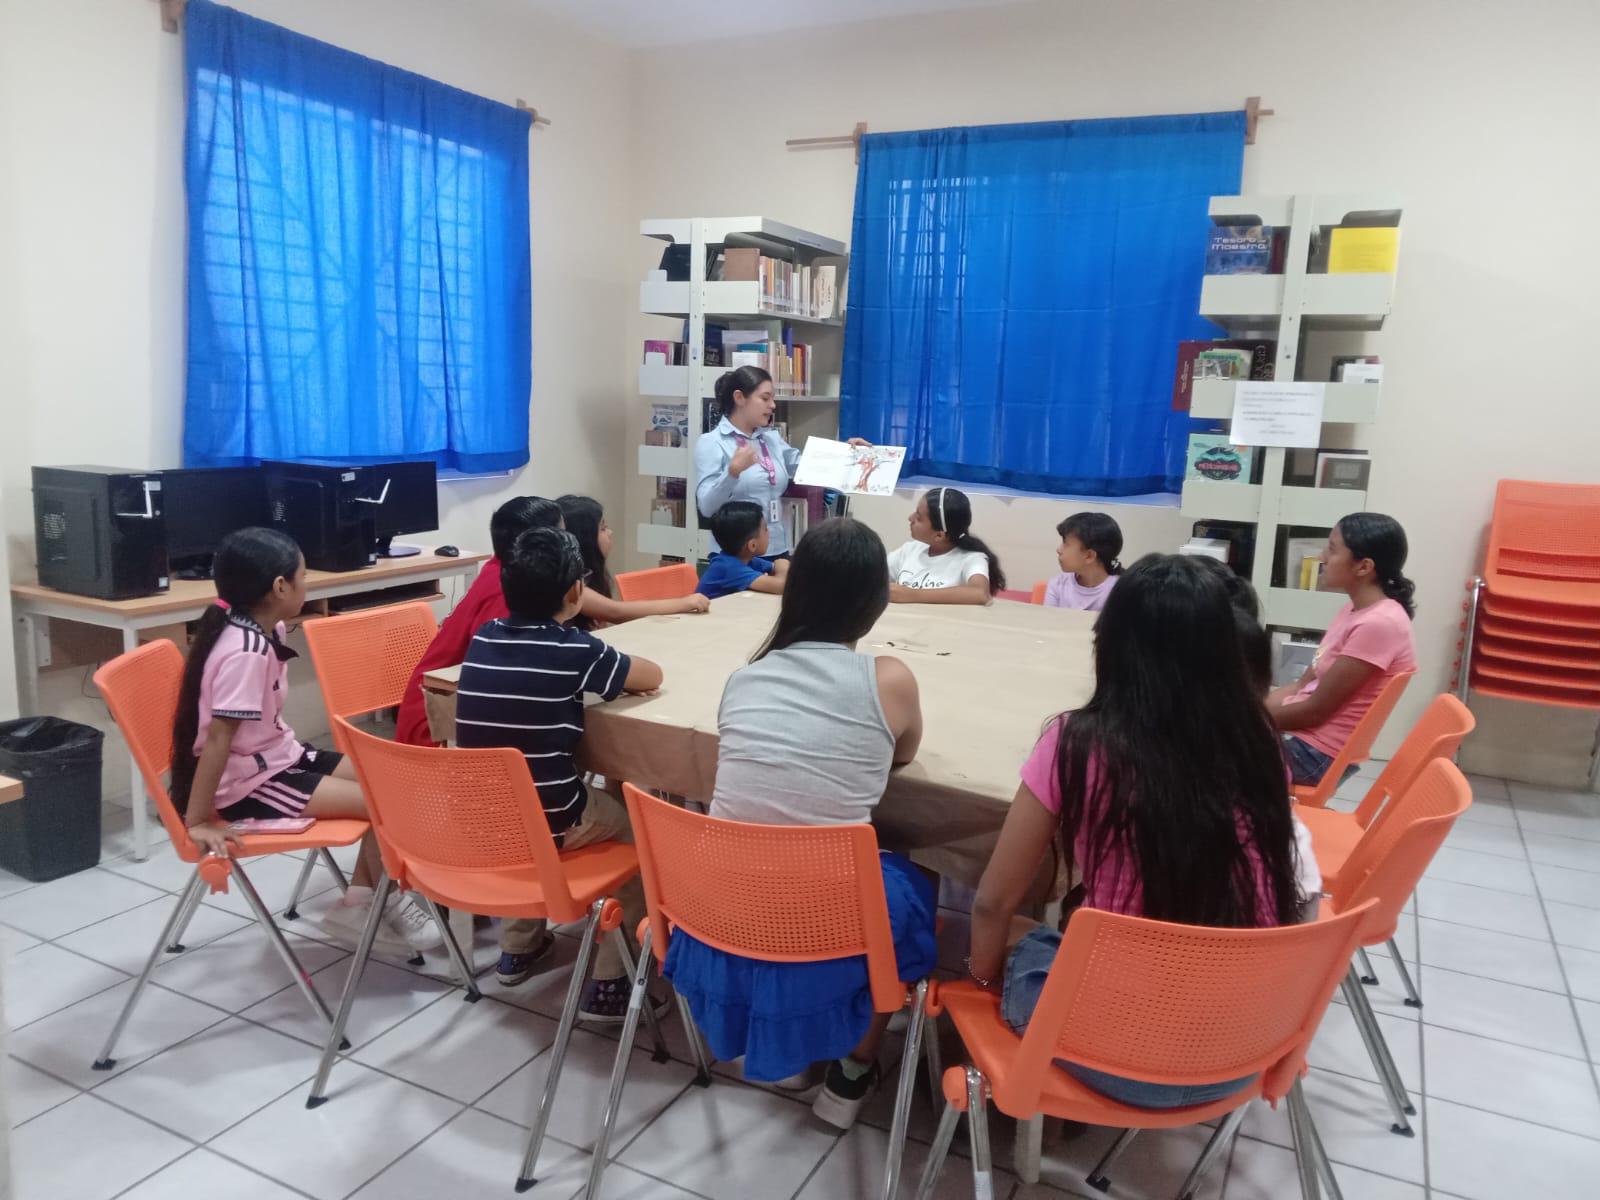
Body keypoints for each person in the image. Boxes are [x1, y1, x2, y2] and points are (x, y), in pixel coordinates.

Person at [966, 554, 1303, 1107]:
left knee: (1015, 938)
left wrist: (981, 986)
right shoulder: (1261, 741)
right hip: (1246, 1049)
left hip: (1120, 1056)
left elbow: (991, 903)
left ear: (1113, 644)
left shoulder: (1078, 742)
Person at [663, 519, 935, 1129]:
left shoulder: (745, 678)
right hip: (823, 905)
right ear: (876, 600)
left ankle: (781, 1032)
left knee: (798, 859)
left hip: (718, 901)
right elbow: (905, 755)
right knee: (915, 882)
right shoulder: (890, 679)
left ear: (796, 590)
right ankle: (855, 1067)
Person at [170, 527, 441, 957]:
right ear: (280, 587)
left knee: (393, 779)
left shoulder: (265, 628)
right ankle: (368, 903)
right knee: (384, 802)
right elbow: (219, 739)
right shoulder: (244, 652)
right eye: (303, 577)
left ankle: (368, 898)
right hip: (250, 784)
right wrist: (198, 818)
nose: (307, 585)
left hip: (282, 758)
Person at [454, 527, 665, 1008]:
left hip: (490, 821)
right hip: (556, 819)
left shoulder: (484, 638)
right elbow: (649, 676)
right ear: (575, 592)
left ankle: (517, 949)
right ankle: (614, 976)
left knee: (524, 805)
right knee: (638, 827)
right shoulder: (573, 649)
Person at [395, 496, 564, 748]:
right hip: (437, 723)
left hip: (450, 707)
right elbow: (500, 668)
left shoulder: (501, 569)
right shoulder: (510, 589)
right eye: (562, 535)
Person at [1267, 513, 1418, 787]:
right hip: (1305, 741)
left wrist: (1241, 723)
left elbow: (1315, 711)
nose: (1322, 558)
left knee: (1198, 756)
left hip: (1317, 756)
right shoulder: (1354, 609)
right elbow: (1302, 686)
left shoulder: (1380, 623)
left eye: (1332, 550)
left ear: (1364, 567)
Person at [693, 365, 868, 560]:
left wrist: (847, 453)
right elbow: (706, 507)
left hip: (775, 547)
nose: (773, 405)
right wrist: (732, 473)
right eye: (765, 398)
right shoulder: (712, 443)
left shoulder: (770, 439)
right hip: (735, 553)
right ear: (739, 398)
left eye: (773, 399)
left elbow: (809, 466)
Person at [558, 494, 709, 630]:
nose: (610, 533)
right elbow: (616, 612)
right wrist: (684, 603)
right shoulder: (567, 584)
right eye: (603, 528)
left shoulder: (589, 576)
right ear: (584, 539)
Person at [886, 486, 1006, 604]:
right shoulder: (909, 550)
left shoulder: (972, 559)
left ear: (939, 535)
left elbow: (980, 593)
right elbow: (872, 574)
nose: (910, 518)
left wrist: (911, 594)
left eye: (919, 517)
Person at [696, 500, 789, 600]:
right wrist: (783, 564)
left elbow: (777, 570)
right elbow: (781, 586)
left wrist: (782, 568)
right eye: (765, 529)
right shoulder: (728, 568)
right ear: (752, 545)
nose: (768, 532)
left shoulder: (747, 560)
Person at [1043, 512, 1123, 611]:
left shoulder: (1119, 591)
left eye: (1065, 543)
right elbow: (1047, 623)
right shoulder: (1057, 584)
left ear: (1089, 556)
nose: (1058, 550)